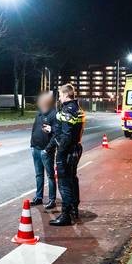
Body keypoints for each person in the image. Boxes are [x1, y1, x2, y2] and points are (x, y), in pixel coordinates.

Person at [46, 83, 85, 226]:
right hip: (75, 148)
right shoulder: (77, 109)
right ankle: (74, 208)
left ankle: (65, 216)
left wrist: (59, 153)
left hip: (67, 151)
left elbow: (67, 135)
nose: (60, 98)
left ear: (66, 95)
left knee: (64, 183)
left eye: (61, 95)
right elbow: (69, 130)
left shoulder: (68, 110)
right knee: (72, 179)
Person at [29, 92, 57, 209]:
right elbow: (34, 128)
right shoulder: (39, 113)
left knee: (50, 176)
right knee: (38, 175)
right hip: (36, 148)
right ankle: (39, 197)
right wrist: (32, 144)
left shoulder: (54, 114)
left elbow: (56, 134)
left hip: (46, 151)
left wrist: (48, 149)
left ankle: (52, 200)